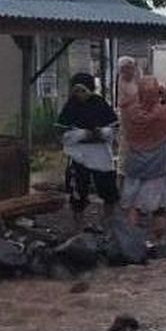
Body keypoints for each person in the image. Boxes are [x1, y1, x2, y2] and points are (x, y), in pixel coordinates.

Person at [120, 77, 166, 239]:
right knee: (159, 209)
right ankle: (159, 243)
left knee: (133, 206)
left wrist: (137, 95)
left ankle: (131, 242)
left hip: (134, 167)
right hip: (158, 169)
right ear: (157, 93)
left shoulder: (130, 114)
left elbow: (124, 105)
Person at [57, 73, 119, 229]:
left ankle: (107, 223)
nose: (79, 95)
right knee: (78, 190)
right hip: (78, 156)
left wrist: (101, 133)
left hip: (101, 156)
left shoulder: (100, 105)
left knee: (108, 190)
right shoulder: (70, 107)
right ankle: (79, 226)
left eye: (83, 90)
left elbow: (113, 129)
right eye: (76, 91)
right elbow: (63, 134)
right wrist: (84, 134)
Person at [114, 56, 140, 188]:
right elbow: (121, 103)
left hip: (137, 122)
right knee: (124, 156)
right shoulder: (121, 82)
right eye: (126, 69)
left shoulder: (135, 82)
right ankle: (119, 188)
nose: (130, 71)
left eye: (131, 68)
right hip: (126, 123)